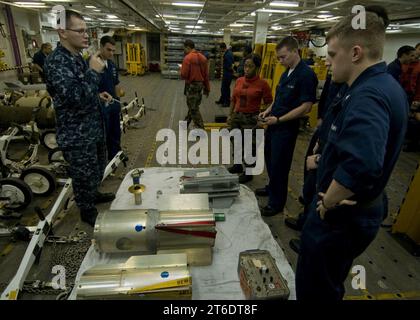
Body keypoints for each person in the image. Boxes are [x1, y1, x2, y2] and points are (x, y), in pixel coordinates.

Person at [296, 10, 408, 300]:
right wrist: (321, 160)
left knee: (315, 289)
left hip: (340, 217)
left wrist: (328, 203)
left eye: (333, 54)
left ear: (356, 53)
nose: (328, 62)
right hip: (355, 212)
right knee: (329, 281)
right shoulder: (381, 86)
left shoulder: (367, 95)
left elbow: (363, 163)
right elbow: (352, 145)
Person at [44, 10, 115, 227]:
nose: (86, 35)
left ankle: (92, 194)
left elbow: (82, 89)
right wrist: (94, 73)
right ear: (62, 32)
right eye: (81, 31)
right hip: (77, 133)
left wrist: (97, 94)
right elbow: (73, 97)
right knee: (83, 174)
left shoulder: (77, 58)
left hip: (92, 127)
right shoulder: (57, 62)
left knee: (96, 167)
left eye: (87, 31)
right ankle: (87, 209)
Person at [256, 36, 318, 217]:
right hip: (274, 124)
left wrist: (279, 119)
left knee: (280, 165)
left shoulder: (306, 75)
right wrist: (267, 111)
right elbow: (278, 98)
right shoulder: (286, 72)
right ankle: (271, 187)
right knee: (270, 159)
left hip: (285, 128)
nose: (280, 61)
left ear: (294, 51)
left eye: (283, 57)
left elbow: (305, 107)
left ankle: (276, 203)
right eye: (279, 58)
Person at [227, 54, 273, 183]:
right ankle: (237, 165)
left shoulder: (263, 84)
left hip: (251, 119)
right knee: (235, 142)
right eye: (245, 66)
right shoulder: (239, 80)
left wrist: (263, 118)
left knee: (249, 146)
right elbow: (233, 99)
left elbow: (270, 103)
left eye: (250, 66)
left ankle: (248, 172)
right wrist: (230, 115)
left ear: (257, 68)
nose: (247, 69)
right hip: (237, 116)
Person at [97, 35, 124, 160]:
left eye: (113, 50)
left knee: (115, 132)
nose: (111, 53)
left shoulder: (112, 65)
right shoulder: (92, 65)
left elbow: (116, 84)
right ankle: (102, 163)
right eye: (108, 50)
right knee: (103, 135)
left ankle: (115, 156)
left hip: (113, 104)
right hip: (100, 107)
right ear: (101, 47)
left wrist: (118, 102)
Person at [180, 39, 210, 129]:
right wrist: (207, 88)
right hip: (200, 85)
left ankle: (200, 129)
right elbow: (206, 75)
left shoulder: (187, 58)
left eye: (184, 49)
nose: (184, 51)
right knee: (193, 105)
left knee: (193, 108)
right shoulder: (203, 58)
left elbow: (184, 74)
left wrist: (180, 71)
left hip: (191, 85)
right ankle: (185, 123)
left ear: (188, 47)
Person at [215, 42, 234, 108]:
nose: (220, 50)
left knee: (226, 88)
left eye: (220, 49)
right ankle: (222, 100)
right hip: (227, 73)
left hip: (227, 74)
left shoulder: (227, 54)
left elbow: (229, 65)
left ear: (222, 48)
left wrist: (228, 69)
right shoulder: (228, 53)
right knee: (223, 88)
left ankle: (227, 102)